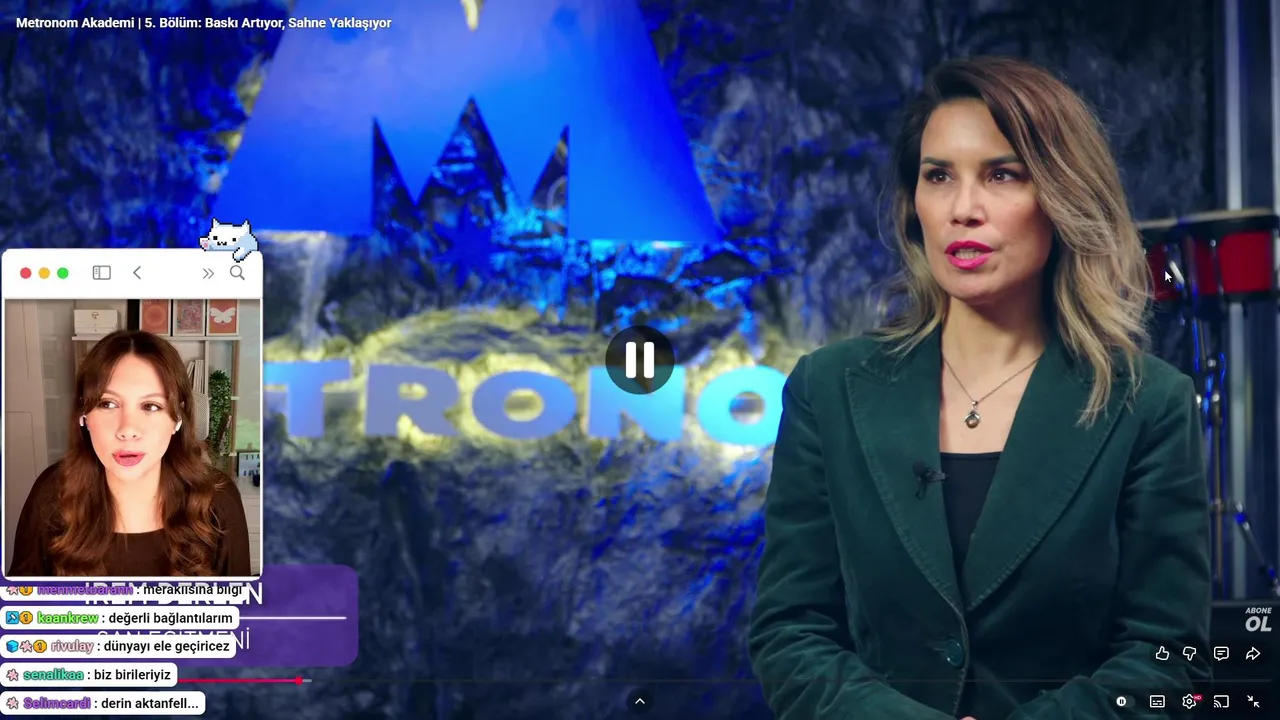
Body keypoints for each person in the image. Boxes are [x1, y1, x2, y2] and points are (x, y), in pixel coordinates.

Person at [747, 56, 1211, 719]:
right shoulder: (829, 389)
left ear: (1061, 196)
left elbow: (1169, 658)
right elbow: (791, 634)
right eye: (938, 176)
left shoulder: (1148, 403)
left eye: (1002, 174)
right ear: (914, 205)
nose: (963, 210)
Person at [9, 330, 251, 577]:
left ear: (177, 418)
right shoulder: (52, 493)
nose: (128, 430)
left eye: (151, 406)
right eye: (108, 404)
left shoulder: (218, 501)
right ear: (84, 415)